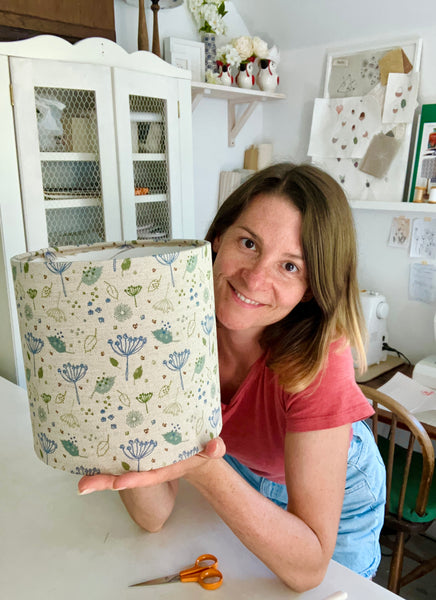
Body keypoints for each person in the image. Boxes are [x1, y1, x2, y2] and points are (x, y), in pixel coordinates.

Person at [78, 163, 386, 592]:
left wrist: (204, 470)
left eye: (290, 267)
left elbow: (309, 568)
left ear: (311, 289)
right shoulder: (168, 325)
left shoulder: (321, 361)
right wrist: (124, 410)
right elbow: (153, 517)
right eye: (248, 243)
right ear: (218, 239)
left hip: (338, 486)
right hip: (238, 465)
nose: (255, 278)